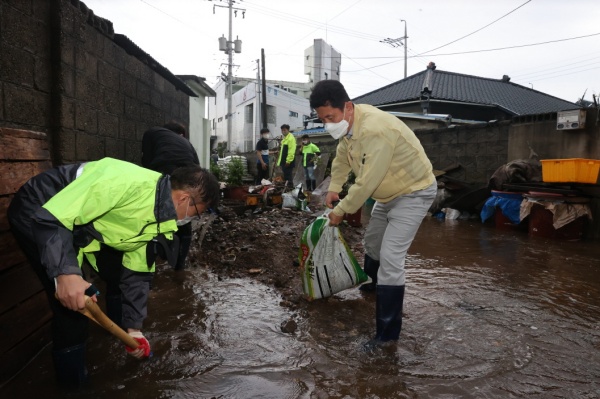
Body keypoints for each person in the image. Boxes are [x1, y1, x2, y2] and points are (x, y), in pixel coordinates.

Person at [7, 157, 220, 386]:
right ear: (185, 199)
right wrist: (67, 275)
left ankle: (114, 331)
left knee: (116, 277)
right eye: (198, 212)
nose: (193, 219)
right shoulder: (121, 182)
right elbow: (53, 219)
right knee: (74, 310)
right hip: (41, 210)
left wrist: (134, 329)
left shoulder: (160, 217)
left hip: (79, 226)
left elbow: (137, 273)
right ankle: (73, 387)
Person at [309, 80, 437, 345]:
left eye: (330, 117)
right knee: (373, 243)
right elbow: (342, 158)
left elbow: (366, 182)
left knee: (391, 258)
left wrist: (341, 210)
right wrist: (334, 188)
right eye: (323, 119)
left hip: (413, 192)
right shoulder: (350, 129)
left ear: (347, 107)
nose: (327, 124)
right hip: (387, 194)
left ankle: (386, 336)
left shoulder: (376, 130)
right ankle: (372, 286)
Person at [142, 121, 199, 270]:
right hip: (187, 176)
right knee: (184, 221)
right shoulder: (187, 143)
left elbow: (146, 163)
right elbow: (197, 168)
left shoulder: (152, 132)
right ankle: (179, 267)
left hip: (164, 173)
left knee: (156, 218)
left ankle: (150, 266)